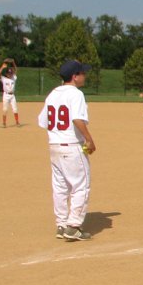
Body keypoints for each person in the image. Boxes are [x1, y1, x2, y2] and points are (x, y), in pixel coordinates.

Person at [37, 60, 96, 241]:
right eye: (82, 73)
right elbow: (78, 119)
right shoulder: (75, 94)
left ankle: (61, 224)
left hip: (54, 145)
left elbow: (43, 121)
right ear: (74, 76)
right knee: (80, 187)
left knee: (60, 187)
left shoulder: (53, 94)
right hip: (72, 146)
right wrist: (89, 138)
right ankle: (73, 226)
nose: (85, 76)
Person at [0, 58, 20, 127]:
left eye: (11, 73)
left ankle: (17, 122)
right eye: (8, 73)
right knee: (5, 109)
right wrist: (2, 66)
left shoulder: (14, 78)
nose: (10, 74)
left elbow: (16, 70)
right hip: (6, 95)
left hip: (12, 96)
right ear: (6, 74)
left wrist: (13, 62)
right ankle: (4, 123)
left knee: (15, 109)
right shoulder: (4, 79)